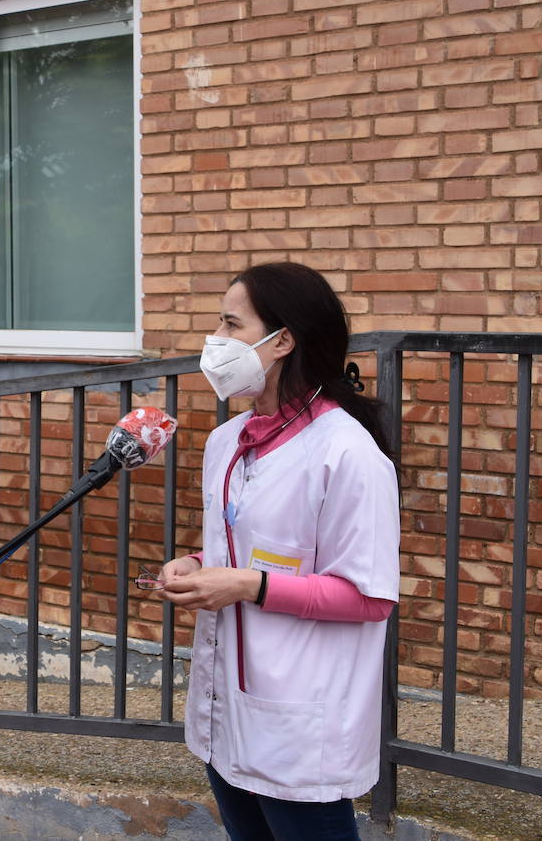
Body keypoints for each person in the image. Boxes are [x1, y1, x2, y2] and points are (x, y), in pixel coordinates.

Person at [151, 262, 400, 840]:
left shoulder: (347, 453)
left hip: (299, 725)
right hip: (227, 711)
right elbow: (248, 544)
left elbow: (369, 597)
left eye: (230, 324)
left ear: (282, 340)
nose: (215, 341)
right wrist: (195, 566)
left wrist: (244, 585)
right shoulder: (226, 442)